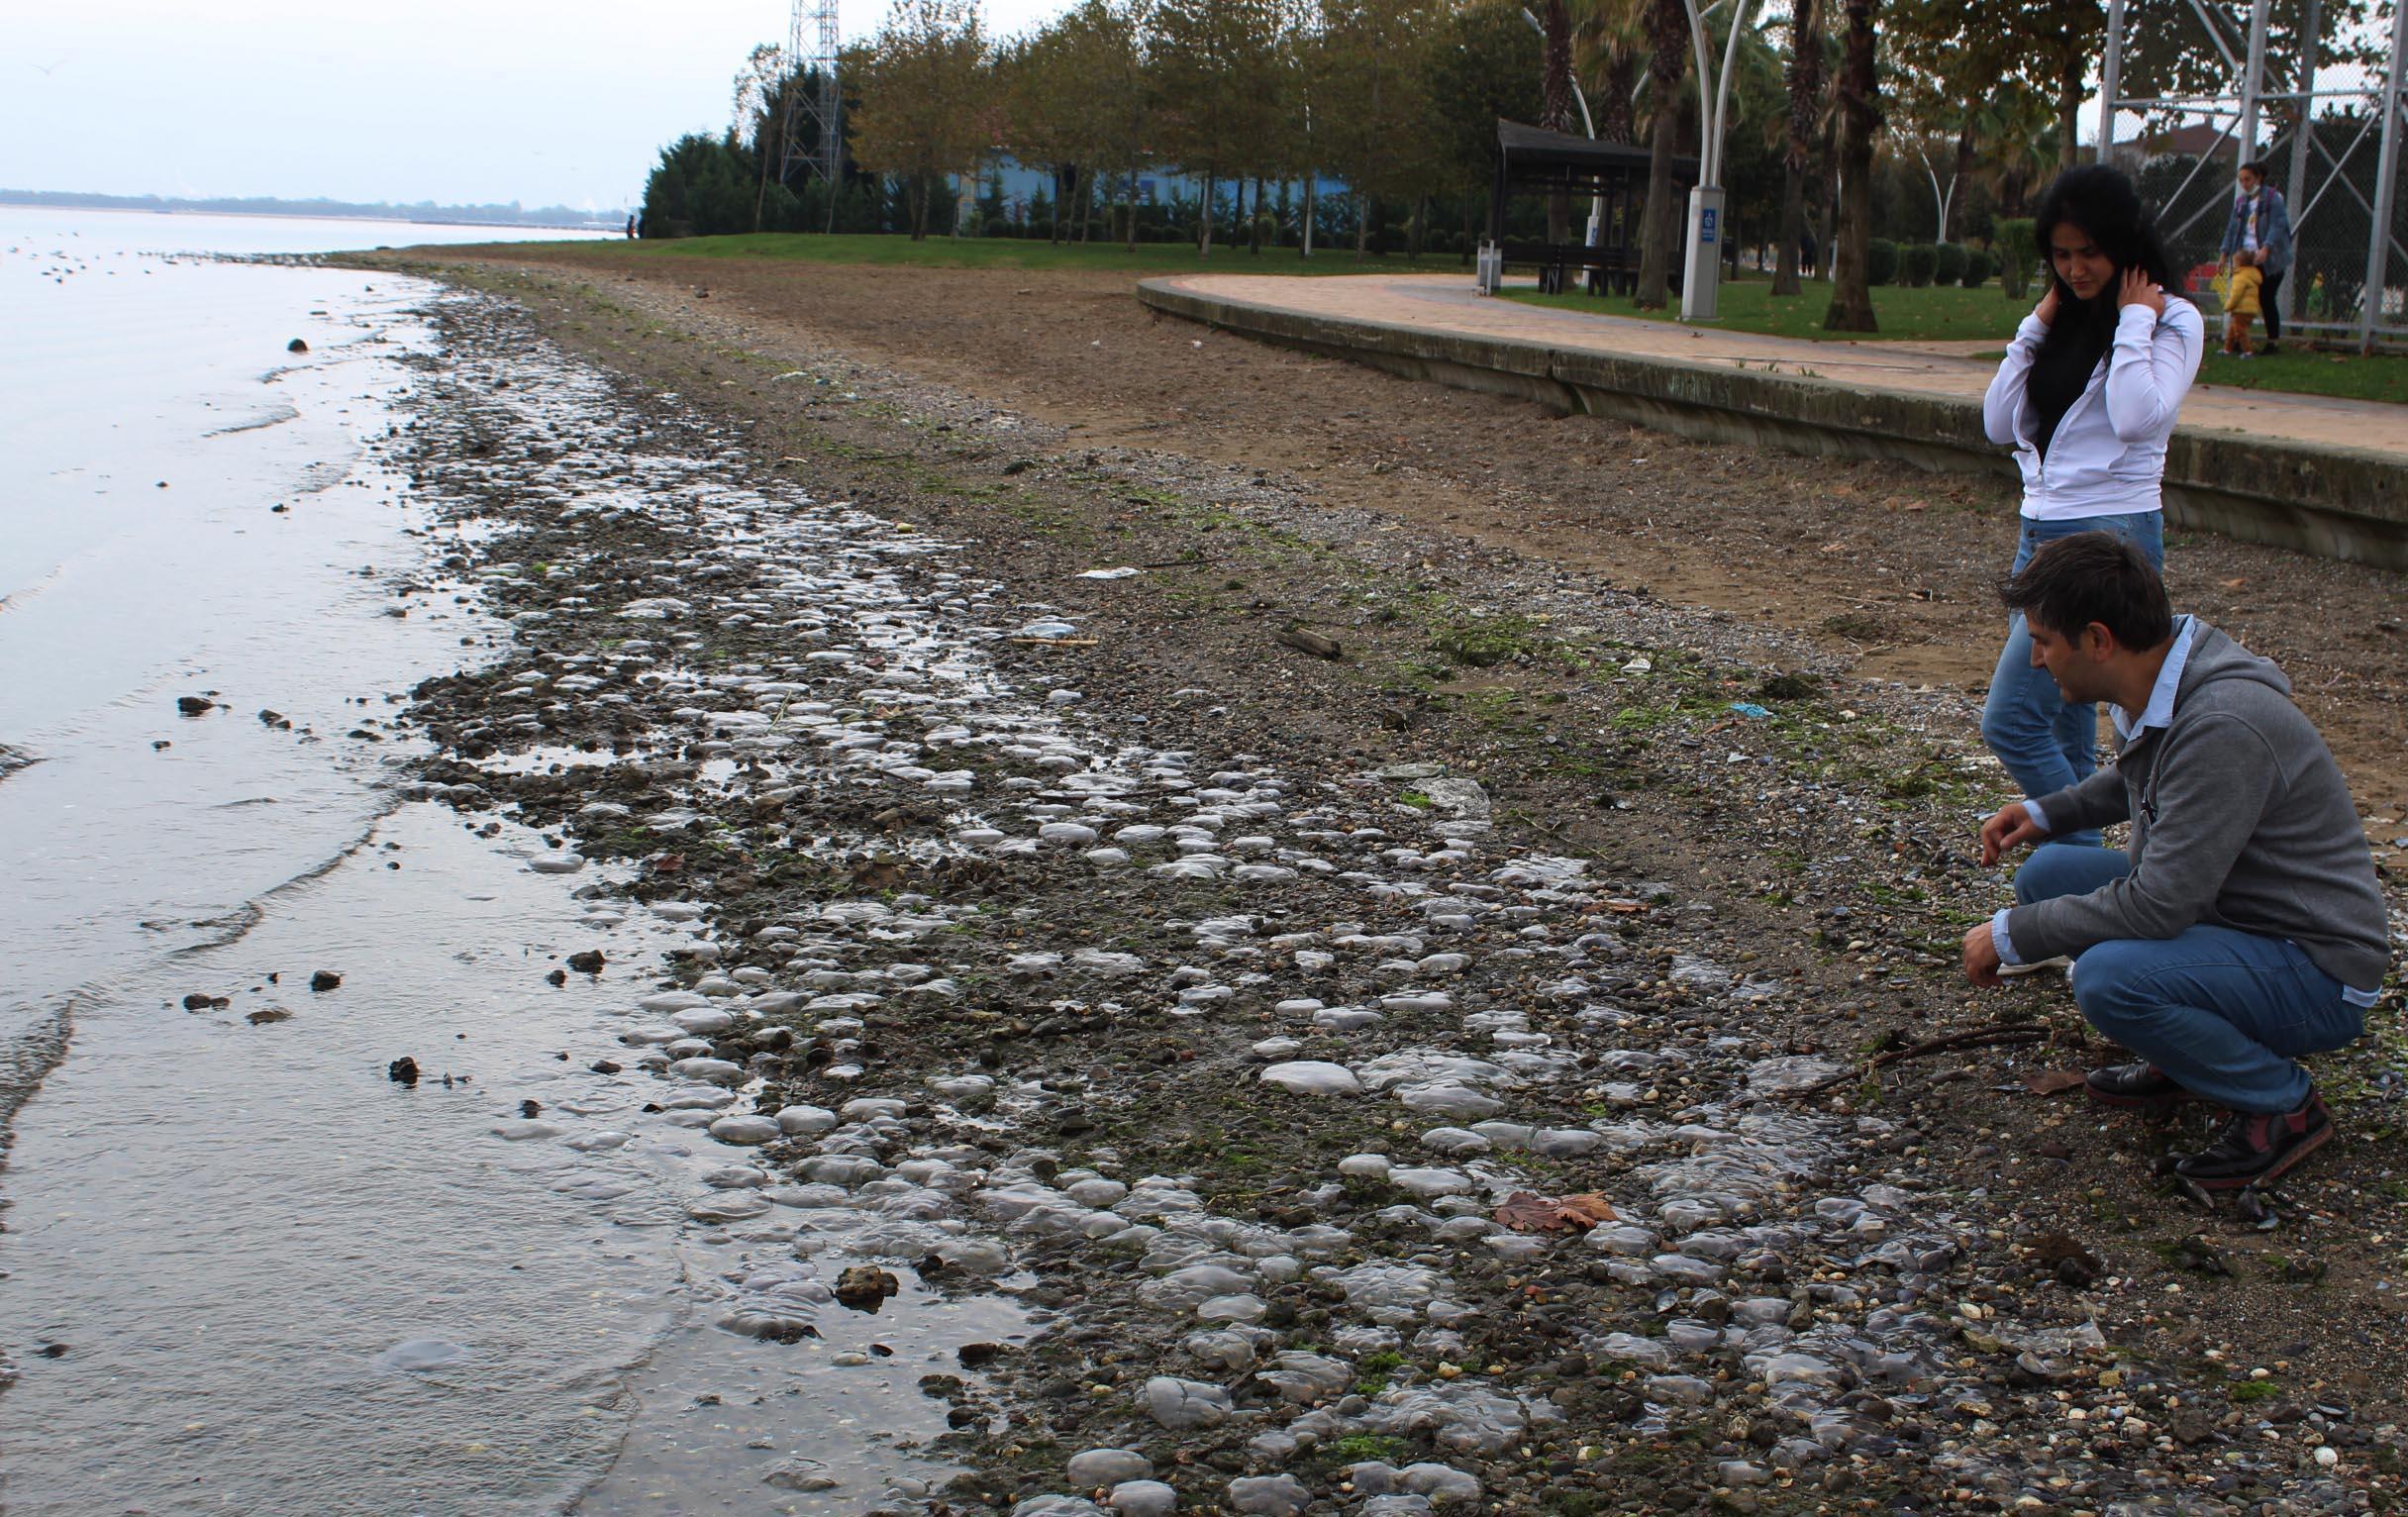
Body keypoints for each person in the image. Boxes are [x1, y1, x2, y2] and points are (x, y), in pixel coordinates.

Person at [1962, 534, 2389, 1189]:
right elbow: (2141, 775)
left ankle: (2282, 1107)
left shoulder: (2223, 724)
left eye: (2043, 642)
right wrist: (2048, 813)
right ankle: (2188, 1054)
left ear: (2098, 640)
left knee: (2108, 979)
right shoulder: (2161, 673)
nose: (2038, 660)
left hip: (2315, 967)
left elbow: (2158, 906)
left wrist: (2012, 935)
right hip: (2231, 911)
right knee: (2047, 875)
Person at [1979, 165, 2204, 847]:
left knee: (2011, 721)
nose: (2075, 270)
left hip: (2109, 531)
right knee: (2063, 724)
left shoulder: (2171, 320)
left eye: (2089, 253)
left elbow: (2137, 416)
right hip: (2040, 530)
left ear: (2124, 245)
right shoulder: (2062, 320)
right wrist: (2036, 322)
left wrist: (2135, 318)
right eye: (2061, 255)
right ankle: (2073, 881)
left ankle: (2077, 855)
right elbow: (1997, 422)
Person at [2220, 161, 2293, 354]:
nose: (2244, 184)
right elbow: (2232, 229)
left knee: (2266, 297)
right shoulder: (2241, 203)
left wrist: (2266, 248)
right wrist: (2224, 253)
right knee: (2243, 299)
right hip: (2247, 259)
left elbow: (2278, 225)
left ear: (2258, 178)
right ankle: (2238, 339)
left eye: (2248, 179)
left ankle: (2272, 342)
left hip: (2269, 260)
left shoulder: (2272, 199)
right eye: (2241, 180)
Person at [2221, 247, 2263, 356]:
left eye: (2234, 262)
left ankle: (2247, 351)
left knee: (2240, 331)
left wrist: (2228, 306)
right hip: (2250, 309)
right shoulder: (2252, 274)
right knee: (2232, 330)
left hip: (2242, 310)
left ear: (2239, 263)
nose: (2233, 265)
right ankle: (2227, 349)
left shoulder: (2240, 277)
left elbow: (2236, 295)